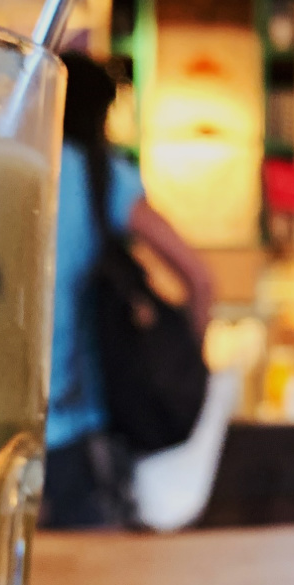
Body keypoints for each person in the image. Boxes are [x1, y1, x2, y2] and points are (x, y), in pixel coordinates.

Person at [43, 51, 215, 530]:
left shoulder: (12, 166)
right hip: (79, 428)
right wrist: (184, 359)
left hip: (0, 424)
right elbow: (199, 278)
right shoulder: (103, 176)